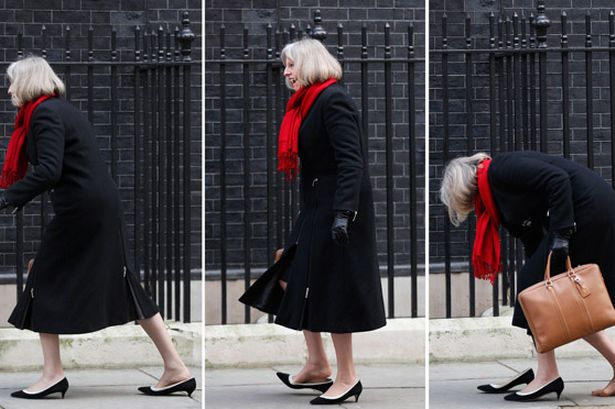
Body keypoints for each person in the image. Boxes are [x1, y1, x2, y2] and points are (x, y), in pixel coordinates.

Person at [1, 56, 195, 399]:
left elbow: (48, 170)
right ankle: (175, 367)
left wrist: (5, 197)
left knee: (43, 276)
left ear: (29, 82)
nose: (10, 89)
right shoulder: (61, 110)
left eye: (13, 81)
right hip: (95, 206)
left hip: (83, 209)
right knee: (124, 280)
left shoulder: (44, 114)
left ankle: (52, 374)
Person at [440, 150, 615, 402]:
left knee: (530, 289)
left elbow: (559, 180)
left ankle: (547, 374)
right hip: (587, 213)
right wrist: (539, 270)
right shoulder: (497, 196)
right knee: (567, 301)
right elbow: (531, 235)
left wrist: (561, 236)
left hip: (589, 212)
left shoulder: (502, 170)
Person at [271, 38, 386, 405]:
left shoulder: (332, 100)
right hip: (317, 205)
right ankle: (318, 363)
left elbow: (353, 162)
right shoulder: (306, 103)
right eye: (285, 66)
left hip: (339, 208)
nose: (286, 72)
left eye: (291, 65)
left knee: (334, 287)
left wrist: (343, 215)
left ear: (309, 64)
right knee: (289, 272)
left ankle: (347, 376)